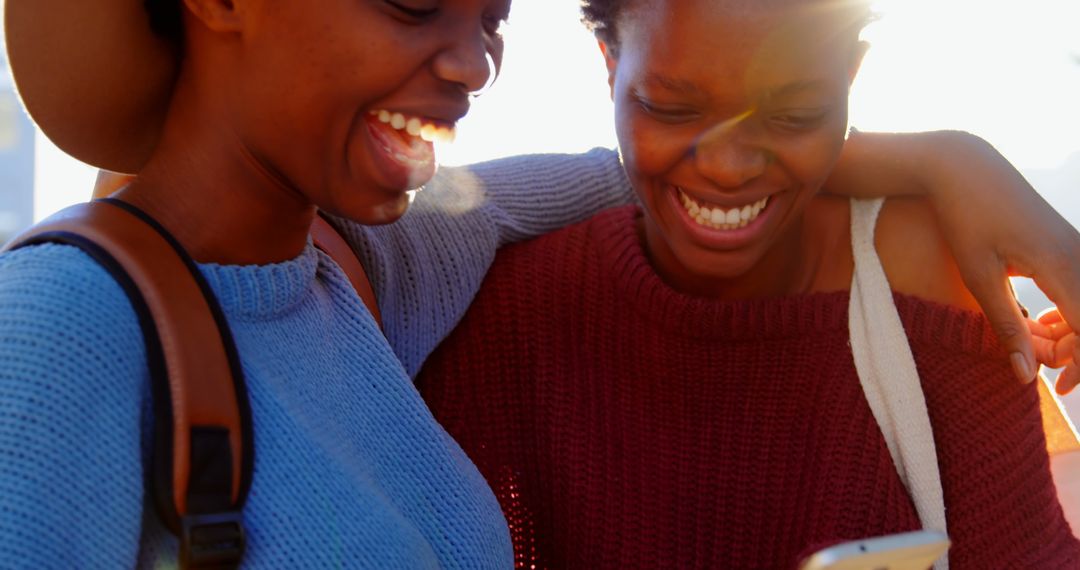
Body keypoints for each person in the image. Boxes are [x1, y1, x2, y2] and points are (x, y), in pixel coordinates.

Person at [1, 0, 1079, 569]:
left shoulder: (366, 277)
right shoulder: (61, 332)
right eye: (414, 1)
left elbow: (645, 169)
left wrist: (951, 161)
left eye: (491, 20)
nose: (473, 63)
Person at [416, 0, 1080, 567]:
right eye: (671, 108)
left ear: (850, 77)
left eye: (795, 114)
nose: (728, 168)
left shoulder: (914, 273)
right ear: (610, 65)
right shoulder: (501, 320)